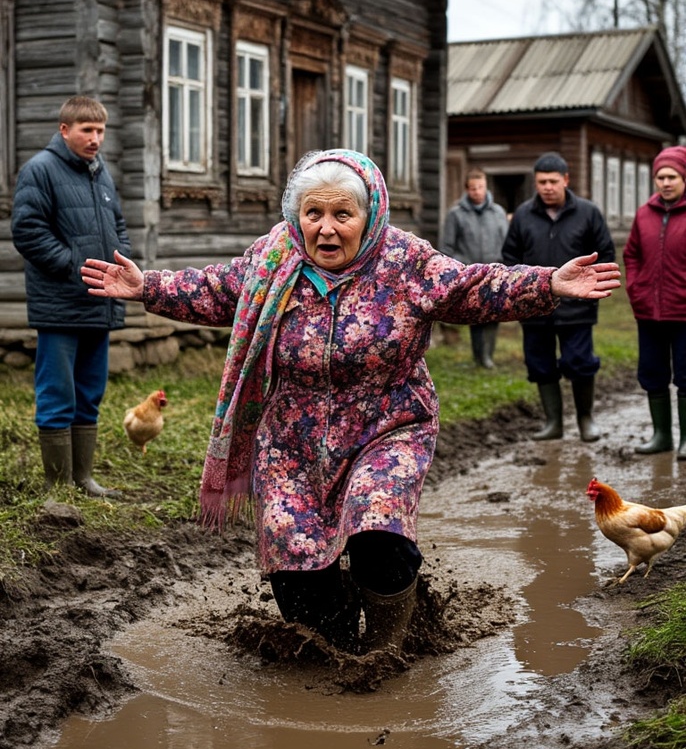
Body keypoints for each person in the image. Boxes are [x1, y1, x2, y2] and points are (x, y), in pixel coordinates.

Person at [81, 149, 620, 655]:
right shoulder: (274, 257)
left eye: (342, 213)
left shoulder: (403, 260)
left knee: (377, 532)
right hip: (291, 439)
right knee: (295, 564)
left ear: (369, 215)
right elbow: (217, 290)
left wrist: (548, 283)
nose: (326, 227)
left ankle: (386, 649)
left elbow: (470, 287)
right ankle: (333, 649)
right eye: (313, 213)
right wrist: (148, 287)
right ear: (297, 215)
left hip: (387, 424)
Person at [11, 95, 130, 496]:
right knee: (57, 393)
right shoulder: (40, 170)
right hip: (60, 305)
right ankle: (57, 484)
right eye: (86, 130)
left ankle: (83, 479)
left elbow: (118, 225)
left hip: (99, 300)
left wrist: (120, 259)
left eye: (100, 130)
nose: (95, 138)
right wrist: (75, 265)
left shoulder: (101, 172)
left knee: (90, 392)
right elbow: (28, 231)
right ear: (64, 130)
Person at [502, 151, 615, 443]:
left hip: (577, 307)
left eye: (553, 181)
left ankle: (585, 419)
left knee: (580, 362)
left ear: (566, 179)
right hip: (534, 307)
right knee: (540, 364)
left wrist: (591, 290)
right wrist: (521, 294)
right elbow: (510, 257)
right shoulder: (523, 215)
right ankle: (553, 422)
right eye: (542, 182)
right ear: (535, 182)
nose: (548, 187)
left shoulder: (588, 213)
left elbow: (605, 252)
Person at [624, 146, 686, 457]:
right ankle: (661, 436)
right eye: (660, 177)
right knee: (652, 373)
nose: (666, 182)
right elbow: (631, 255)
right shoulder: (643, 214)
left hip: (684, 313)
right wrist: (635, 288)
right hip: (649, 312)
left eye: (672, 176)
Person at [441, 168, 509, 368]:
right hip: (470, 274)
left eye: (480, 187)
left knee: (494, 313)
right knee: (476, 314)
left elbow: (506, 243)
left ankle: (489, 354)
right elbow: (447, 247)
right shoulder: (456, 214)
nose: (477, 191)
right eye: (473, 188)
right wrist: (455, 271)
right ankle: (479, 356)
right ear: (467, 190)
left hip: (495, 273)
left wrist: (507, 268)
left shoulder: (498, 213)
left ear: (486, 187)